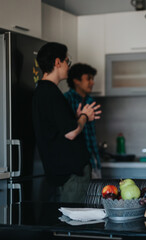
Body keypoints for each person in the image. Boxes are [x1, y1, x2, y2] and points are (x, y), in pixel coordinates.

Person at [33, 42, 101, 203]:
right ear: (57, 63)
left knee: (64, 221)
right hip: (72, 172)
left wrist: (76, 117)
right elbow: (71, 133)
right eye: (66, 62)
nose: (68, 67)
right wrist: (85, 115)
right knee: (73, 223)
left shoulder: (41, 92)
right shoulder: (52, 94)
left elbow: (59, 128)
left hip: (59, 171)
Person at [64, 63, 102, 179]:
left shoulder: (90, 100)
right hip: (76, 162)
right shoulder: (66, 99)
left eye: (92, 79)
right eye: (88, 78)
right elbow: (67, 130)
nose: (92, 82)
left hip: (93, 158)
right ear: (76, 81)